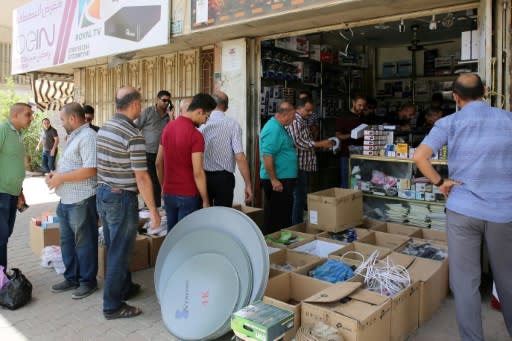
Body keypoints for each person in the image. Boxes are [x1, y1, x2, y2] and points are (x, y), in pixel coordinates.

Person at [413, 73, 512, 341]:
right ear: (486, 91)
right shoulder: (508, 120)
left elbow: (419, 157)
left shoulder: (449, 122)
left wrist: (440, 182)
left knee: (465, 281)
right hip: (503, 212)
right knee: (507, 278)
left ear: (455, 97)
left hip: (463, 210)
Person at [96, 87, 160, 320]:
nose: (141, 107)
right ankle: (112, 306)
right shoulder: (132, 134)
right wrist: (153, 210)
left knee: (115, 247)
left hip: (103, 195)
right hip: (121, 198)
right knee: (119, 253)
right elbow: (142, 176)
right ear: (133, 105)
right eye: (140, 103)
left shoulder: (105, 127)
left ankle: (124, 288)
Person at [46, 103, 98, 299]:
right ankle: (72, 277)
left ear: (73, 119)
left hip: (81, 200)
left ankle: (87, 281)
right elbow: (71, 166)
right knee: (67, 241)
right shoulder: (75, 137)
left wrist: (61, 178)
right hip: (67, 200)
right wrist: (54, 175)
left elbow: (91, 169)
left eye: (62, 119)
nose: (61, 123)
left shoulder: (88, 137)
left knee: (84, 243)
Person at [156, 93, 216, 231]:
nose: (205, 121)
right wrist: (206, 200)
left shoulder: (167, 129)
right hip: (188, 196)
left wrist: (163, 187)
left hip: (169, 194)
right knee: (187, 238)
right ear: (199, 111)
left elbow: (158, 163)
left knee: (172, 237)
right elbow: (198, 172)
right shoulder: (195, 135)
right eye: (206, 117)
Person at [199, 91, 253, 206]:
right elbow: (240, 157)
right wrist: (248, 184)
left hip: (202, 176)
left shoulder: (201, 124)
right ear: (226, 108)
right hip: (224, 179)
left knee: (203, 216)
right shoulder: (233, 125)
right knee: (222, 216)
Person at [286, 97, 333, 225]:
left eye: (312, 110)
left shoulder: (302, 121)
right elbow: (299, 142)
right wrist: (320, 144)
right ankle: (296, 225)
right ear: (298, 108)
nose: (311, 113)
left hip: (303, 165)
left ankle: (298, 223)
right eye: (308, 110)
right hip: (298, 166)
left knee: (301, 197)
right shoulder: (295, 121)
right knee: (299, 198)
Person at [0, 103, 33, 269]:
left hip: (12, 193)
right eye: (28, 114)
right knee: (1, 236)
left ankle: (2, 276)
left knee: (5, 236)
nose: (31, 118)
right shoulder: (3, 130)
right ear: (15, 116)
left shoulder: (18, 134)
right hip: (1, 193)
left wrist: (20, 192)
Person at [259, 101, 298, 234]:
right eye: (293, 116)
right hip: (278, 180)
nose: (293, 119)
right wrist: (274, 179)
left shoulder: (278, 127)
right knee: (277, 216)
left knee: (281, 214)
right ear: (285, 115)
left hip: (282, 178)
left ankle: (279, 243)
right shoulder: (273, 129)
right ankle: (274, 246)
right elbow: (267, 156)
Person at [135, 90, 172, 208]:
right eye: (164, 100)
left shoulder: (168, 116)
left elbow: (173, 131)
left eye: (168, 101)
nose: (166, 103)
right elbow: (136, 128)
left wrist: (171, 116)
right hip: (147, 153)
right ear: (157, 100)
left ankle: (157, 207)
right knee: (149, 182)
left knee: (160, 182)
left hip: (161, 155)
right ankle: (150, 208)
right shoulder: (148, 112)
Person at [335, 95, 366, 188]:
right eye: (359, 105)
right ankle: (344, 201)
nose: (362, 108)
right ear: (353, 103)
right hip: (347, 155)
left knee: (358, 181)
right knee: (346, 181)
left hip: (361, 154)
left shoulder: (363, 116)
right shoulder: (343, 116)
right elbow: (338, 136)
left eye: (363, 106)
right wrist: (352, 135)